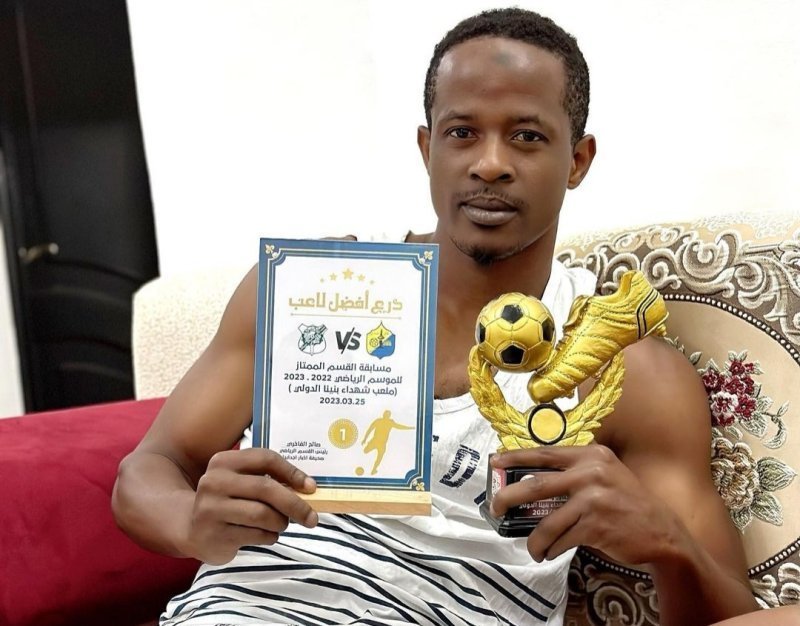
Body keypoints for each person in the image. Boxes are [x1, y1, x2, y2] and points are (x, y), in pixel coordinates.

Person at [113, 8, 770, 626]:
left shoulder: (624, 372)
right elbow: (150, 468)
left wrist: (667, 543)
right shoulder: (307, 291)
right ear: (428, 149)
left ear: (577, 160)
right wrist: (191, 522)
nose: (490, 164)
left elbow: (735, 616)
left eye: (527, 136)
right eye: (462, 133)